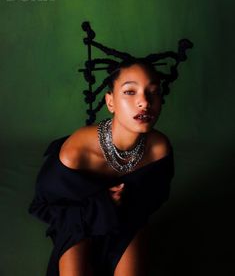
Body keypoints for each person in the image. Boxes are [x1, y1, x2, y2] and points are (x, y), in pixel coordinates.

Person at [28, 58, 175, 276]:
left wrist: (122, 208)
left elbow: (147, 204)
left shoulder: (158, 151)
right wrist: (100, 206)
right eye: (130, 92)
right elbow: (43, 207)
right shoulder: (76, 153)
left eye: (153, 92)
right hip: (80, 225)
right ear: (110, 102)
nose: (144, 102)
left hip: (127, 222)